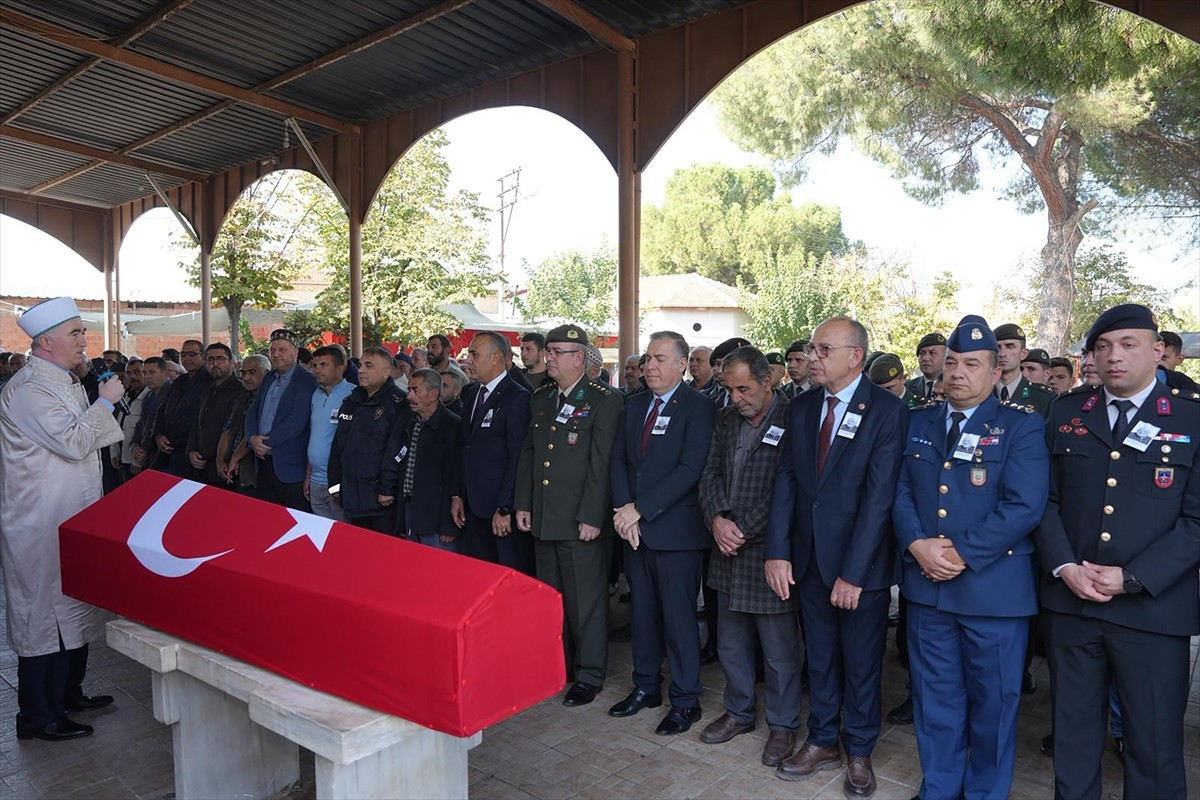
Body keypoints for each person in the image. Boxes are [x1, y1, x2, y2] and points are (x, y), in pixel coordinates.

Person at [1035, 304, 1200, 799]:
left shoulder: (1191, 418)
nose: (1114, 356)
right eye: (1103, 346)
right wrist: (1065, 567)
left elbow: (1197, 520)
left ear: (1157, 351)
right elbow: (1045, 501)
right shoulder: (1066, 412)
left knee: (1152, 744)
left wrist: (1130, 577)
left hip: (1152, 610)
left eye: (1128, 344)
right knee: (1074, 737)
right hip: (1073, 605)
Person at [893, 315, 1048, 800]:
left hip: (992, 592)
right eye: (953, 362)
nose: (958, 372)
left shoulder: (1020, 425)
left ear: (996, 371)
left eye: (972, 364)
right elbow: (898, 490)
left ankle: (984, 793)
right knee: (935, 700)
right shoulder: (918, 421)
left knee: (993, 707)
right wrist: (916, 543)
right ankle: (938, 787)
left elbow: (1024, 505)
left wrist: (959, 552)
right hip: (927, 588)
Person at [764, 316, 905, 798]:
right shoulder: (801, 407)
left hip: (857, 567)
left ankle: (859, 749)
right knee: (820, 658)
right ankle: (823, 739)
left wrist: (854, 573)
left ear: (855, 357)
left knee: (862, 661)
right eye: (812, 348)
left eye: (824, 349)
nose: (813, 357)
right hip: (806, 560)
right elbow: (785, 480)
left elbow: (879, 499)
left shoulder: (886, 410)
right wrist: (778, 552)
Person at [0, 297, 124, 742]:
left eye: (82, 332)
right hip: (41, 521)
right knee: (45, 617)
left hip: (72, 514)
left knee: (75, 605)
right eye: (75, 333)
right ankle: (39, 716)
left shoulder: (64, 381)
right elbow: (74, 442)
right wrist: (107, 403)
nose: (84, 340)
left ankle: (69, 694)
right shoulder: (30, 389)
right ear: (46, 342)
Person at [696, 346, 801, 767]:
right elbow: (709, 475)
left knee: (778, 650)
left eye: (744, 388)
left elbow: (788, 490)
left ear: (767, 380)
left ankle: (782, 724)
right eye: (729, 388)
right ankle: (739, 712)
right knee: (731, 642)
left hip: (768, 551)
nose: (736, 397)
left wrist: (744, 528)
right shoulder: (723, 418)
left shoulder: (793, 419)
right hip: (726, 547)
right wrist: (718, 519)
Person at [608, 330, 715, 736]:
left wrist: (640, 509)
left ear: (682, 365)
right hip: (633, 530)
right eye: (647, 359)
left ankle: (686, 700)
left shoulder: (699, 407)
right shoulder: (633, 404)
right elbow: (618, 460)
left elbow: (690, 470)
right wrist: (623, 510)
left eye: (659, 359)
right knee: (644, 616)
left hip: (676, 534)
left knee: (679, 619)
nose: (649, 366)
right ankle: (646, 687)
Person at [515, 324, 623, 708]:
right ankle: (557, 666)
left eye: (558, 352)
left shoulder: (604, 400)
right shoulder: (541, 396)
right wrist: (524, 503)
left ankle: (589, 674)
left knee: (586, 602)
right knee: (553, 599)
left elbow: (601, 463)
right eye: (549, 351)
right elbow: (531, 453)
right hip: (546, 515)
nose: (549, 358)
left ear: (579, 357)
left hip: (581, 519)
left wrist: (593, 515)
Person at [452, 331, 533, 572]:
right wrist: (457, 494)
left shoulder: (517, 397)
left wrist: (505, 507)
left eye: (475, 354)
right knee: (478, 575)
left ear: (496, 358)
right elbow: (463, 447)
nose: (468, 360)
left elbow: (517, 457)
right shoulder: (470, 393)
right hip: (471, 506)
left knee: (505, 575)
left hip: (499, 509)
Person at [327, 346, 409, 532]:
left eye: (369, 366)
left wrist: (387, 489)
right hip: (351, 497)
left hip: (380, 502)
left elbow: (396, 450)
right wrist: (335, 486)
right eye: (361, 365)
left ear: (386, 372)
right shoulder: (351, 402)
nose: (361, 370)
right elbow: (337, 448)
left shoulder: (398, 404)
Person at [387, 367, 461, 548]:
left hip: (437, 517)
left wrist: (448, 525)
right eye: (409, 389)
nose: (409, 395)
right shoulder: (411, 422)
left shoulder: (452, 426)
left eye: (415, 390)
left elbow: (455, 477)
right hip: (411, 508)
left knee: (439, 571)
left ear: (433, 394)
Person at [245, 329, 318, 511]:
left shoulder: (306, 380)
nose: (276, 354)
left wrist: (264, 442)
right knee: (268, 519)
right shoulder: (269, 377)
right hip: (263, 462)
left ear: (295, 352)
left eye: (282, 349)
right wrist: (252, 438)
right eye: (272, 350)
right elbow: (253, 410)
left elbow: (296, 421)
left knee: (296, 520)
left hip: (290, 467)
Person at [306, 345, 355, 521]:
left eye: (324, 365)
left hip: (337, 482)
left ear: (340, 368)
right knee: (320, 537)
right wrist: (308, 476)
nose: (317, 370)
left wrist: (341, 484)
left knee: (341, 536)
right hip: (316, 481)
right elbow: (314, 436)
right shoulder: (315, 395)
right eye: (315, 365)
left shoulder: (352, 394)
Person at [185, 343, 245, 486]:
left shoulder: (241, 391)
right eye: (210, 359)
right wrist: (191, 450)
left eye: (220, 359)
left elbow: (233, 430)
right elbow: (196, 423)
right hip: (200, 466)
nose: (215, 363)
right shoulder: (206, 390)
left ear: (231, 362)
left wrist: (221, 459)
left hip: (224, 467)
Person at [152, 339, 211, 475]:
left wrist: (192, 448)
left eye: (192, 354)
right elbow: (162, 410)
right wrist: (158, 435)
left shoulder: (210, 381)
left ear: (202, 356)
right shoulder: (179, 381)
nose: (186, 359)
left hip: (193, 452)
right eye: (183, 355)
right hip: (169, 448)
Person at [218, 354, 268, 495]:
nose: (246, 378)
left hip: (254, 472)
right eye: (243, 373)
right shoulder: (241, 397)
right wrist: (220, 460)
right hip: (233, 470)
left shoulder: (269, 400)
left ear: (266, 373)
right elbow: (227, 430)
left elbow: (254, 435)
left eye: (252, 373)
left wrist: (235, 458)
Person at [992, 324, 1053, 417]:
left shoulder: (1044, 397)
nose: (1002, 354)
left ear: (1023, 353)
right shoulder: (980, 392)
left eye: (1010, 346)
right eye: (998, 347)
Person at [906, 333, 947, 402]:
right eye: (922, 353)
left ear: (946, 357)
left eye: (932, 353)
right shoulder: (906, 388)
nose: (926, 358)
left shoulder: (956, 387)